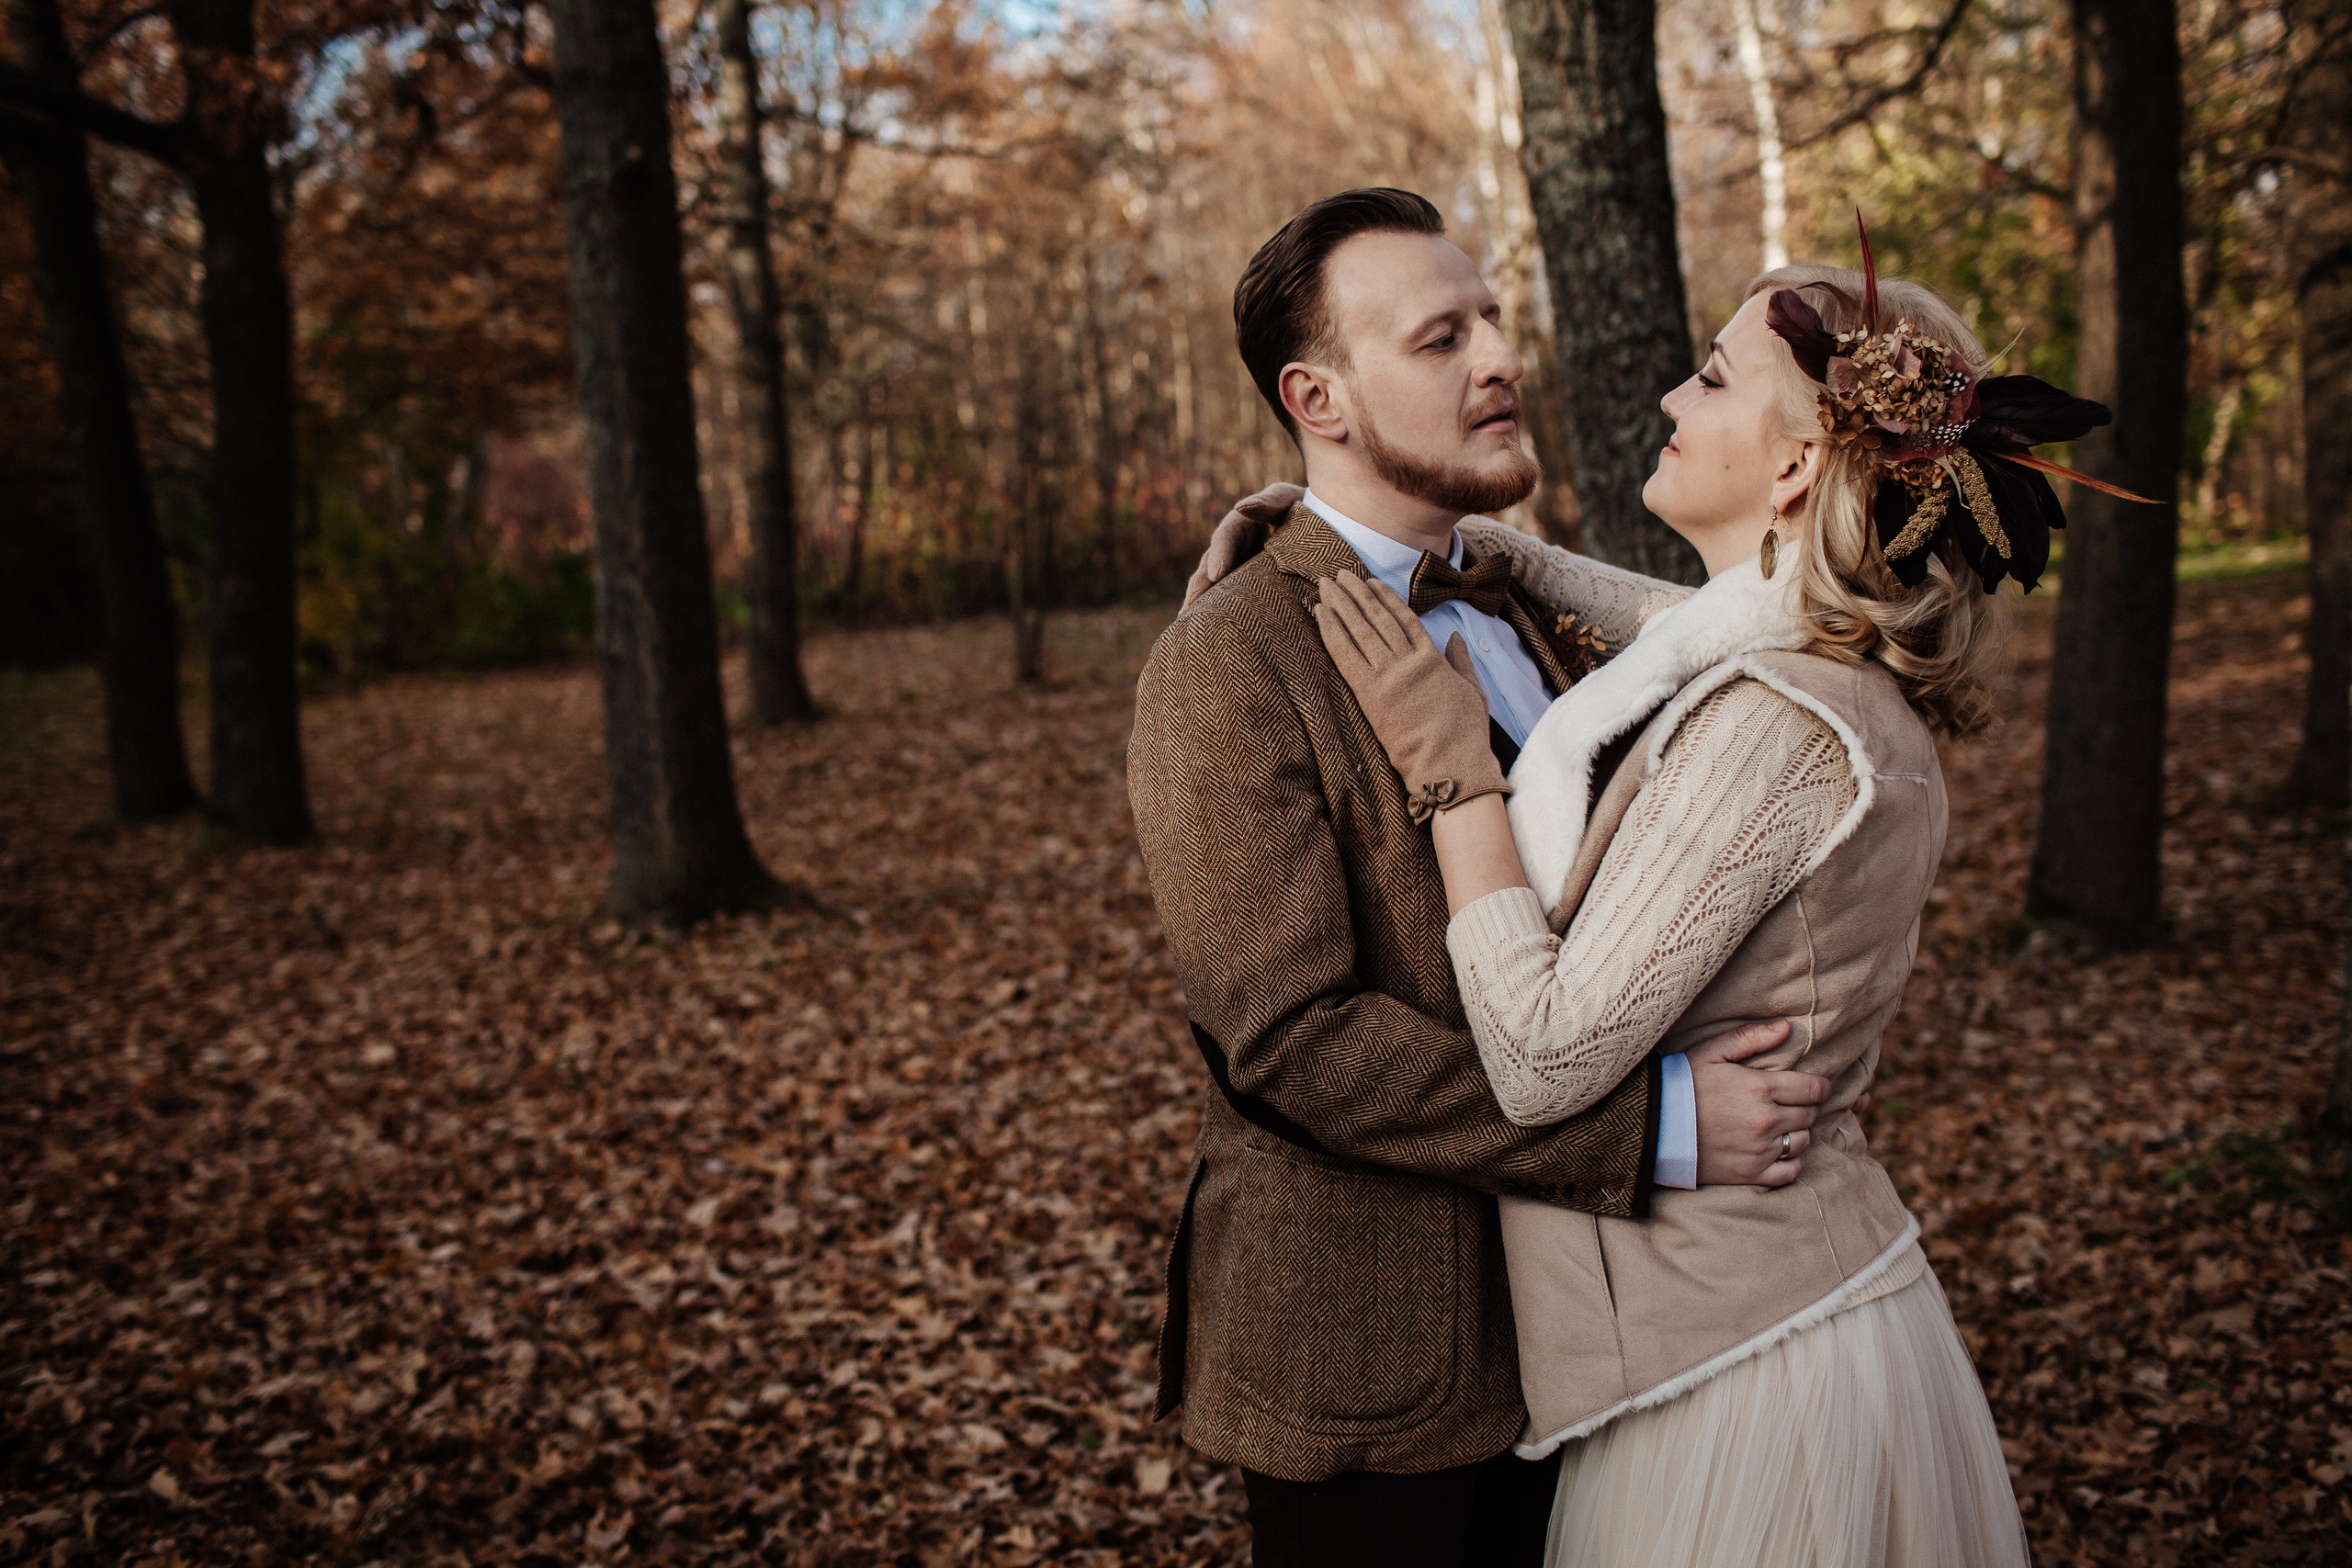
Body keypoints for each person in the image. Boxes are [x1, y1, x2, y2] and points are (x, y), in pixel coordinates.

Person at [1275, 237, 2111, 1563]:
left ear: (1793, 466)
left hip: (1744, 1383)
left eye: (1711, 380)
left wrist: (1454, 778)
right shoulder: (1810, 664)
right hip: (1761, 1319)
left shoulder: (1776, 729)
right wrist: (1508, 555)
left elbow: (1545, 1061)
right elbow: (1693, 628)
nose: (1671, 399)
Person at [1125, 187, 1838, 1568]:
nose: (1499, 355)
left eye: (1494, 319)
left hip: (1599, 1336)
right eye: (1441, 337)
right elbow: (1290, 1043)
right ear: (1318, 397)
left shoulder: (1522, 600)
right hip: (1378, 1367)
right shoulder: (1228, 663)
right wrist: (1659, 1127)